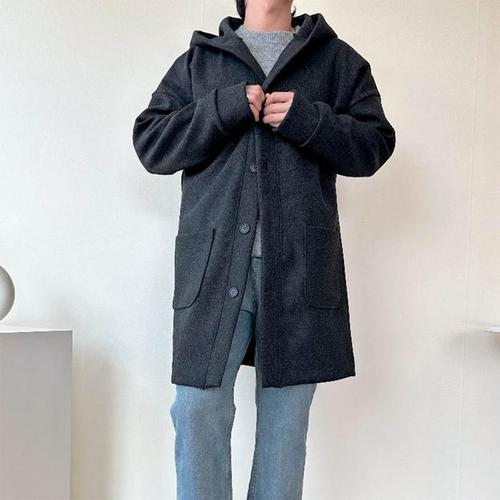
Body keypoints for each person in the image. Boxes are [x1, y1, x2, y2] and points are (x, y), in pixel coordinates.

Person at [132, 1, 396, 498]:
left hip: (299, 272)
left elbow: (374, 146)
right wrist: (221, 108)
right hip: (211, 271)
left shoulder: (337, 61)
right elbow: (152, 144)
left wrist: (309, 121)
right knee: (197, 410)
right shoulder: (200, 62)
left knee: (284, 430)